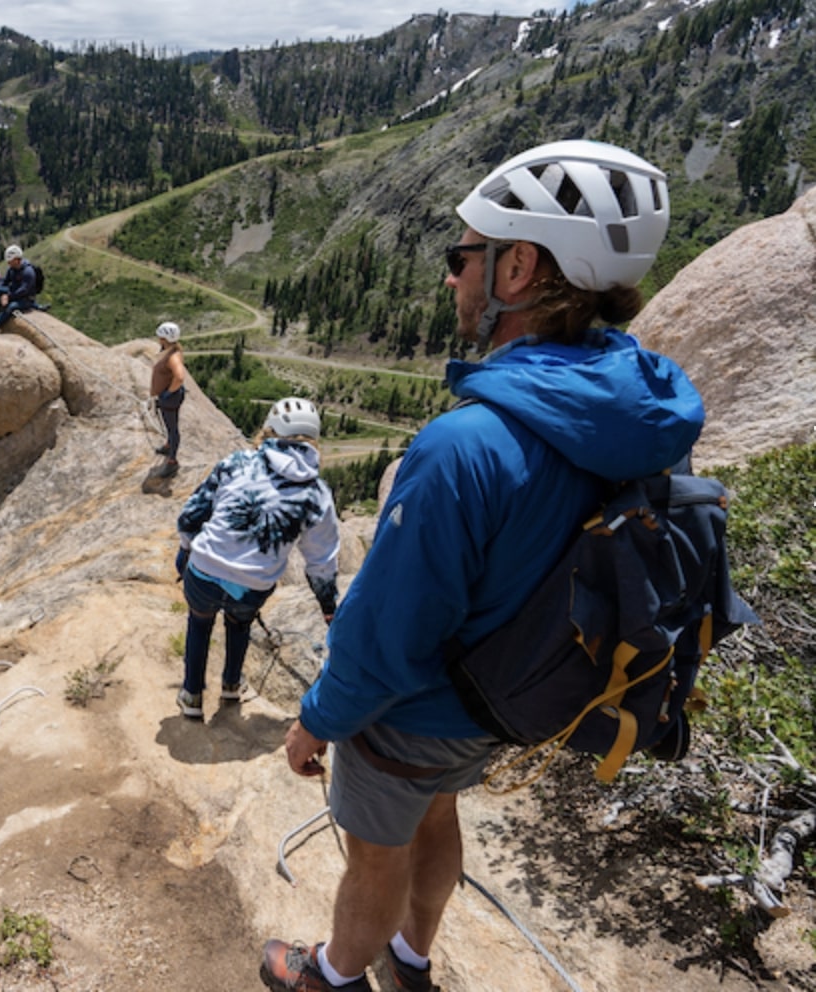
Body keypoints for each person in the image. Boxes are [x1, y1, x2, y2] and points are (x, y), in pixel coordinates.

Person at [259, 140, 705, 992]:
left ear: (519, 268)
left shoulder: (466, 446)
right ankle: (413, 958)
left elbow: (388, 633)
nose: (452, 277)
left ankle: (335, 974)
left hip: (413, 711)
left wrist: (316, 719)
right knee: (439, 814)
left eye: (463, 256)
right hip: (507, 699)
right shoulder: (630, 409)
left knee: (375, 856)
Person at [174, 397, 340, 721]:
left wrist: (185, 551)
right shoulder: (316, 492)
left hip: (205, 570)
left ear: (268, 431)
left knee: (199, 622)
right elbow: (321, 560)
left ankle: (191, 695)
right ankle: (232, 686)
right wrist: (328, 607)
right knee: (240, 624)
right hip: (253, 585)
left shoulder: (237, 463)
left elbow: (192, 514)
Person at [151, 321, 187, 474]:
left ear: (164, 339)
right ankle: (168, 446)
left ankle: (172, 461)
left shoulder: (173, 357)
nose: (158, 339)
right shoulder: (171, 351)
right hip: (170, 396)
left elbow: (179, 377)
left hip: (170, 397)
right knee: (169, 424)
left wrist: (168, 393)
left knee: (172, 428)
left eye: (160, 337)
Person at [0, 244, 37, 332]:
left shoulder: (28, 272)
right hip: (14, 291)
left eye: (10, 261)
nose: (8, 263)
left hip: (26, 298)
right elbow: (5, 281)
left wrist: (8, 297)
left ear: (17, 260)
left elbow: (24, 290)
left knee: (11, 306)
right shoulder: (12, 269)